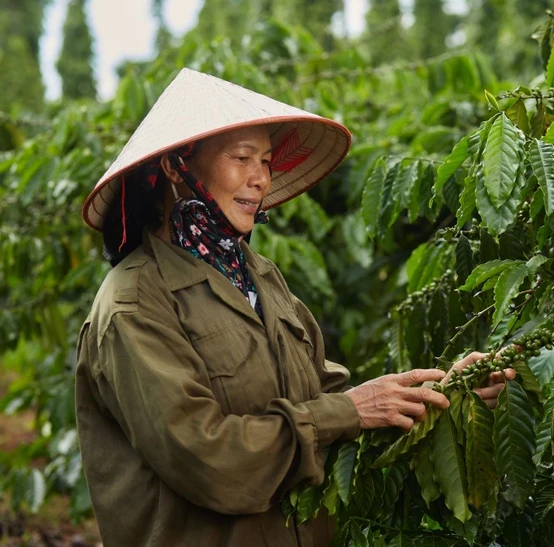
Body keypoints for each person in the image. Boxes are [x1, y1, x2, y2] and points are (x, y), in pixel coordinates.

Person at [74, 68, 514, 547]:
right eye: (242, 158)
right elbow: (206, 459)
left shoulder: (259, 277)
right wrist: (347, 412)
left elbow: (337, 407)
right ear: (179, 167)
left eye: (265, 160)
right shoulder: (135, 304)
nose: (261, 178)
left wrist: (445, 394)